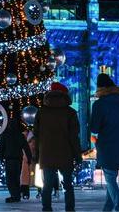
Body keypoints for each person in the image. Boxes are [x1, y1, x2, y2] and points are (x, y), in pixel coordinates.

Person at [34, 81, 81, 212]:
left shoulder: (41, 112)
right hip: (65, 154)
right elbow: (74, 137)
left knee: (47, 185)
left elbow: (37, 135)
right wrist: (77, 155)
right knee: (68, 185)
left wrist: (37, 155)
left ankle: (46, 209)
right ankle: (70, 209)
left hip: (46, 154)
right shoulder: (70, 113)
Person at [88, 73, 119, 212]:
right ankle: (107, 208)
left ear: (100, 88)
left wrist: (94, 138)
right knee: (111, 178)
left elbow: (94, 127)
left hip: (106, 145)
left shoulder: (99, 104)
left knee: (110, 180)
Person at [0, 118, 32, 203]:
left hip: (9, 160)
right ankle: (16, 195)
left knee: (10, 179)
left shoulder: (5, 135)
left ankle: (14, 195)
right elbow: (26, 148)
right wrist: (29, 159)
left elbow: (1, 147)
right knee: (16, 178)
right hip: (18, 160)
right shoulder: (20, 135)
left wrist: (0, 158)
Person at [20, 129, 36, 200]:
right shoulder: (24, 135)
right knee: (25, 177)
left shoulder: (31, 137)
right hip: (25, 159)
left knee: (26, 177)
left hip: (29, 159)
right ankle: (24, 193)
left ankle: (25, 193)